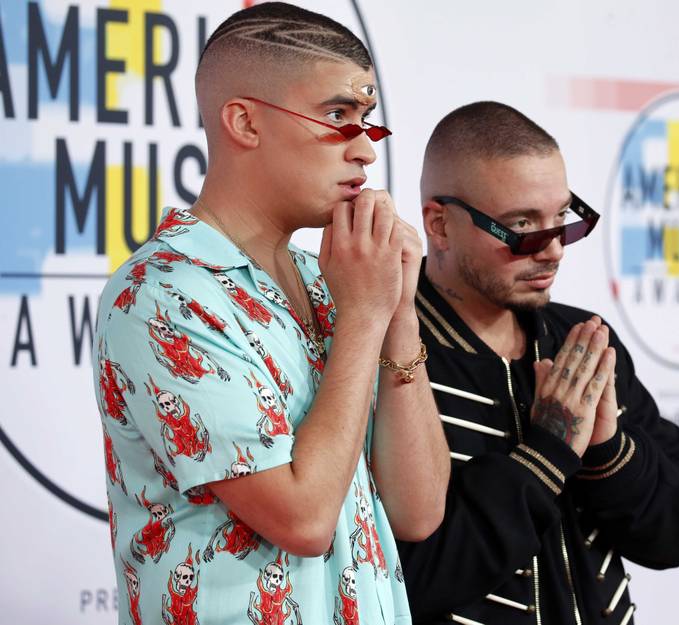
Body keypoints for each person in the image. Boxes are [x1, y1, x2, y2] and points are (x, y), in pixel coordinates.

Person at [91, 4, 449, 624]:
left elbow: (417, 511)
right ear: (245, 123)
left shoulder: (329, 278)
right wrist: (364, 315)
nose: (365, 150)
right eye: (338, 117)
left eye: (367, 122)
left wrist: (397, 315)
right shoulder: (161, 294)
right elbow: (303, 518)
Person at [396, 101, 679, 625]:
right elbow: (407, 578)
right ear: (440, 224)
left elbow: (678, 535)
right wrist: (547, 453)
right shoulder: (392, 355)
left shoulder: (580, 341)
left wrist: (608, 450)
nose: (554, 251)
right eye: (522, 227)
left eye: (562, 219)